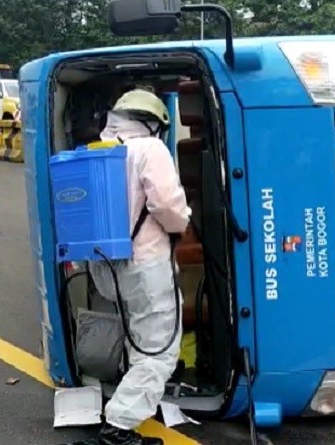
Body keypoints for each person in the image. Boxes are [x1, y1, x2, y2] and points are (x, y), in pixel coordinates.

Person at [88, 88, 192, 445]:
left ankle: (126, 401)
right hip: (145, 263)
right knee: (158, 349)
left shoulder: (97, 151)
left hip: (105, 266)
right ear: (151, 123)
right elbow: (167, 205)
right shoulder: (149, 148)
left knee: (139, 333)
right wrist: (183, 223)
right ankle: (118, 427)